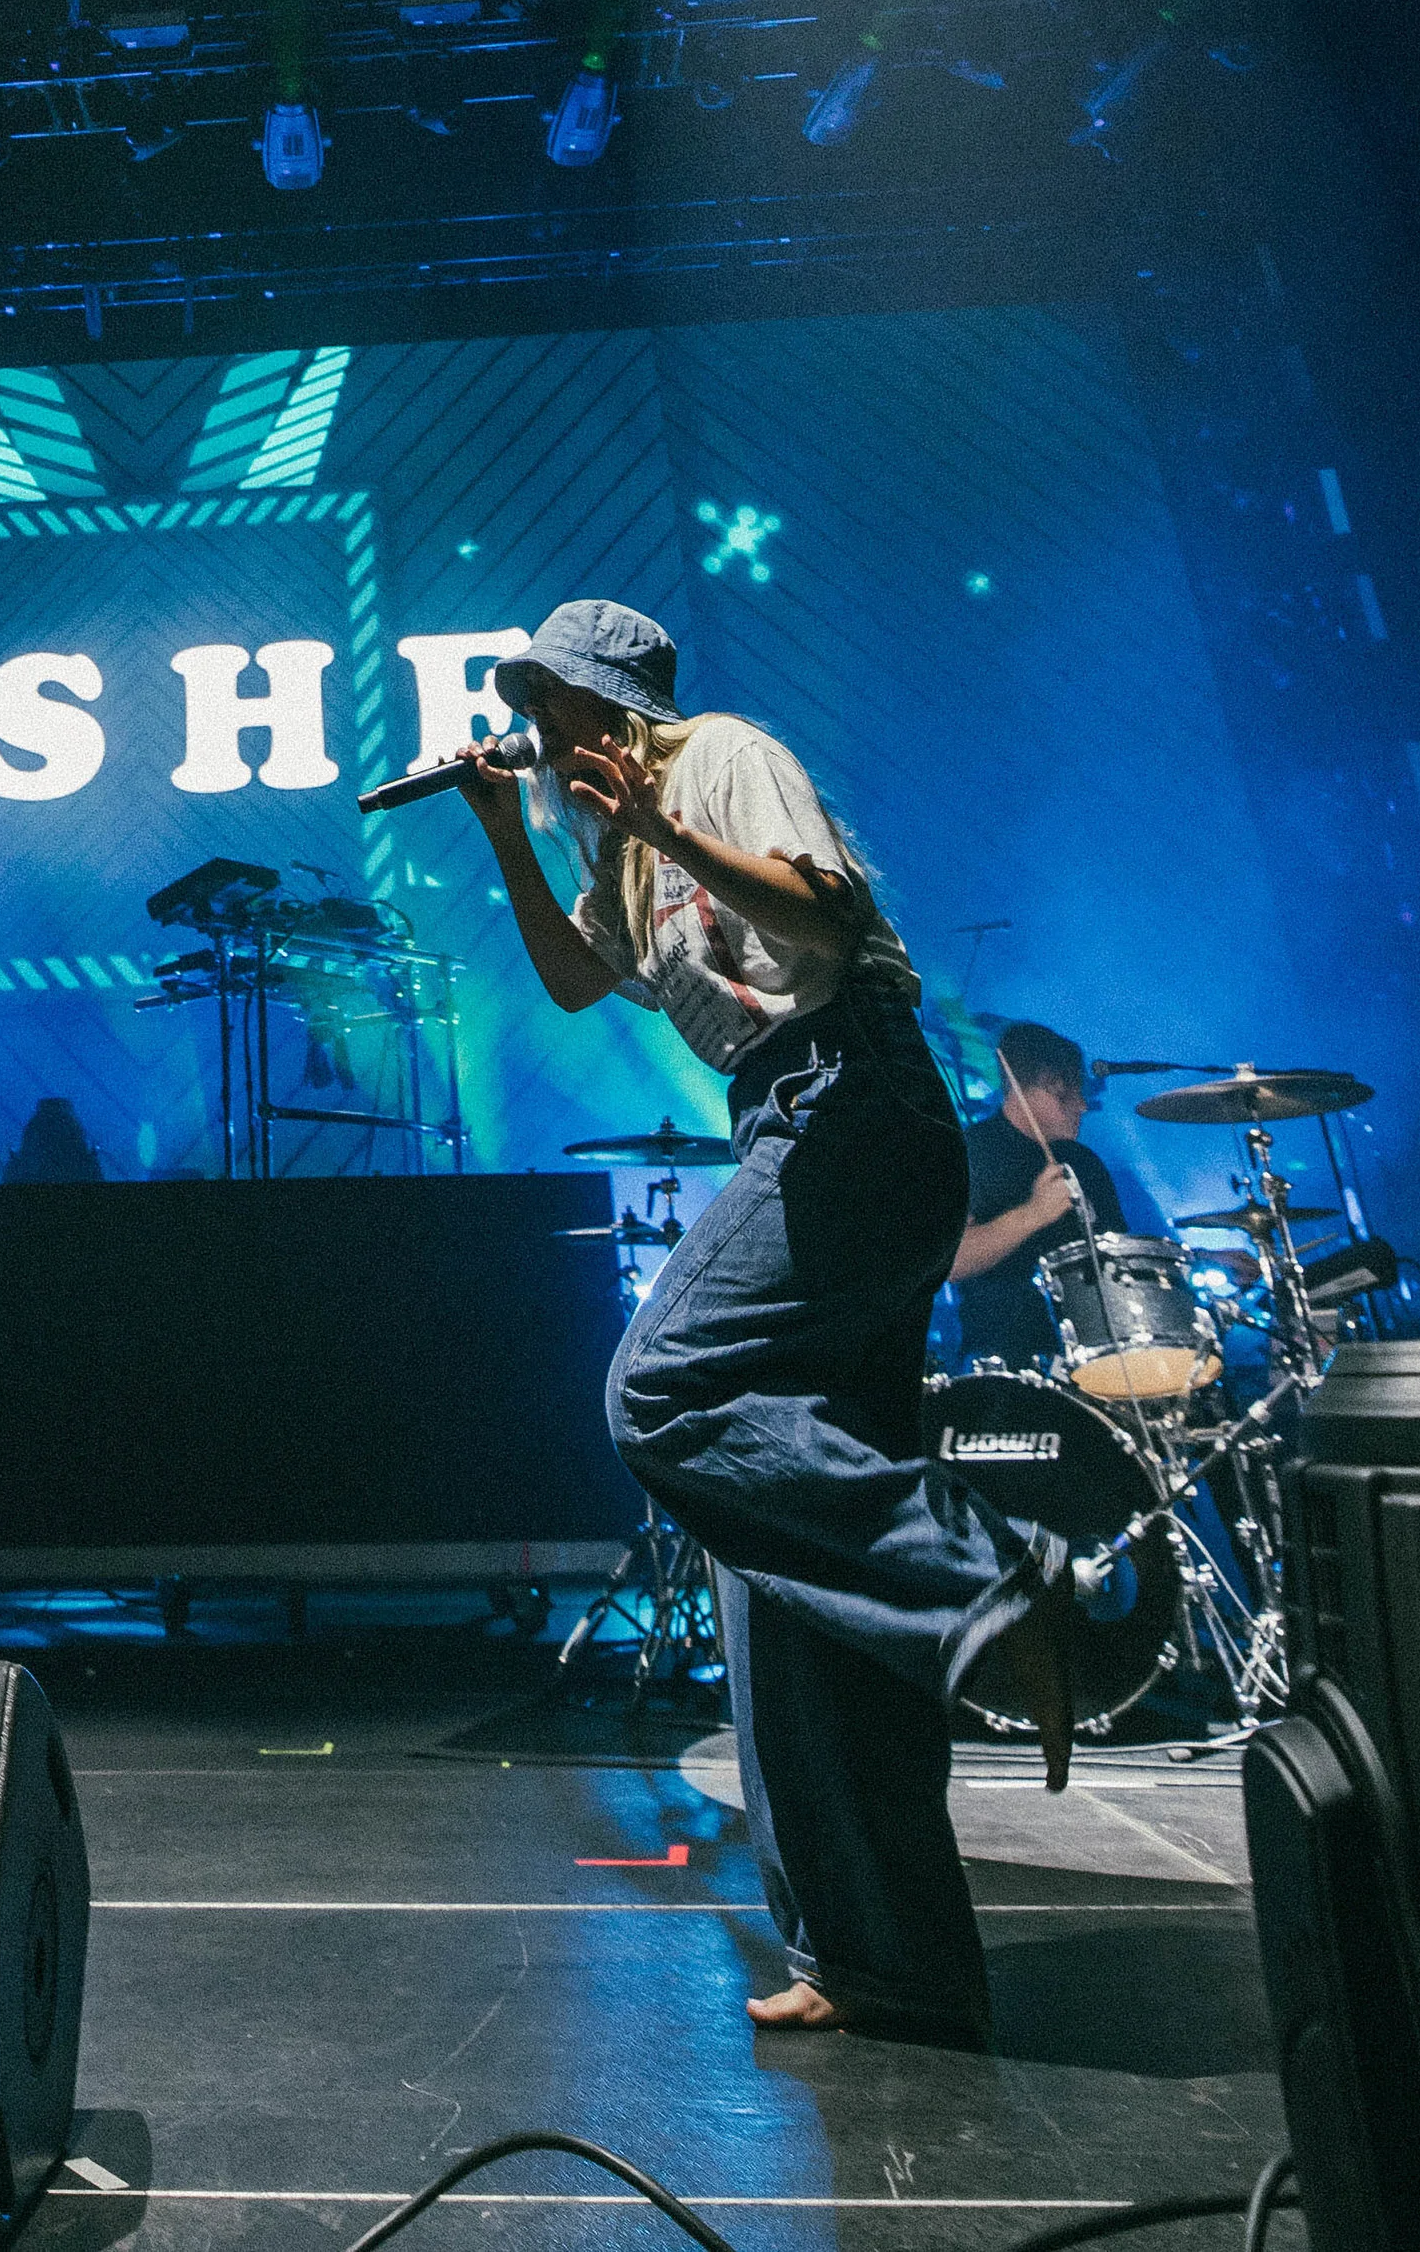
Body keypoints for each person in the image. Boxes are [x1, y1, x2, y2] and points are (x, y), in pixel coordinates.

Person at [457, 599, 1074, 2054]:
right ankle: (888, 1958)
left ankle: (996, 1582)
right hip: (791, 1118)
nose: (537, 736)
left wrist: (661, 826)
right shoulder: (608, 835)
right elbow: (571, 975)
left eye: (550, 709)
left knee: (660, 1393)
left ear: (611, 707)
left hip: (854, 1105)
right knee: (780, 1580)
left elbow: (825, 916)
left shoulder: (718, 759)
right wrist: (506, 829)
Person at [949, 1023, 1123, 1370]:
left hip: (1100, 1353)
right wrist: (1034, 1213)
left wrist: (1200, 1258)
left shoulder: (1083, 1162)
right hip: (1010, 1366)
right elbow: (949, 1261)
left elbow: (1122, 1253)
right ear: (1051, 1084)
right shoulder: (970, 1152)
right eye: (1077, 1091)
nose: (1084, 1106)